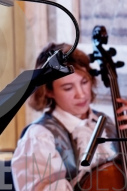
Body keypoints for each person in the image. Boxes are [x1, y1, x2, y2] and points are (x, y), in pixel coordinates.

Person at [11, 43, 127, 190]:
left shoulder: (108, 123)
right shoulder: (39, 137)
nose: (81, 94)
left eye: (84, 82)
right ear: (48, 91)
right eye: (68, 88)